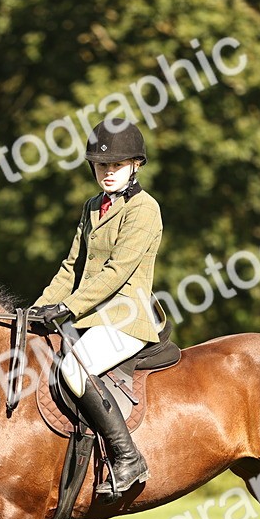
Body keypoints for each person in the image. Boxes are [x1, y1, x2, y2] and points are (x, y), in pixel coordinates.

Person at [29, 119, 163, 499]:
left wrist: (68, 308)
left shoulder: (144, 209)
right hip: (90, 316)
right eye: (102, 165)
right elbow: (71, 267)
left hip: (127, 317)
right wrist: (37, 310)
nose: (107, 172)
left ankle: (128, 457)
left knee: (73, 367)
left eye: (116, 165)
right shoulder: (92, 207)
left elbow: (117, 271)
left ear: (135, 164)